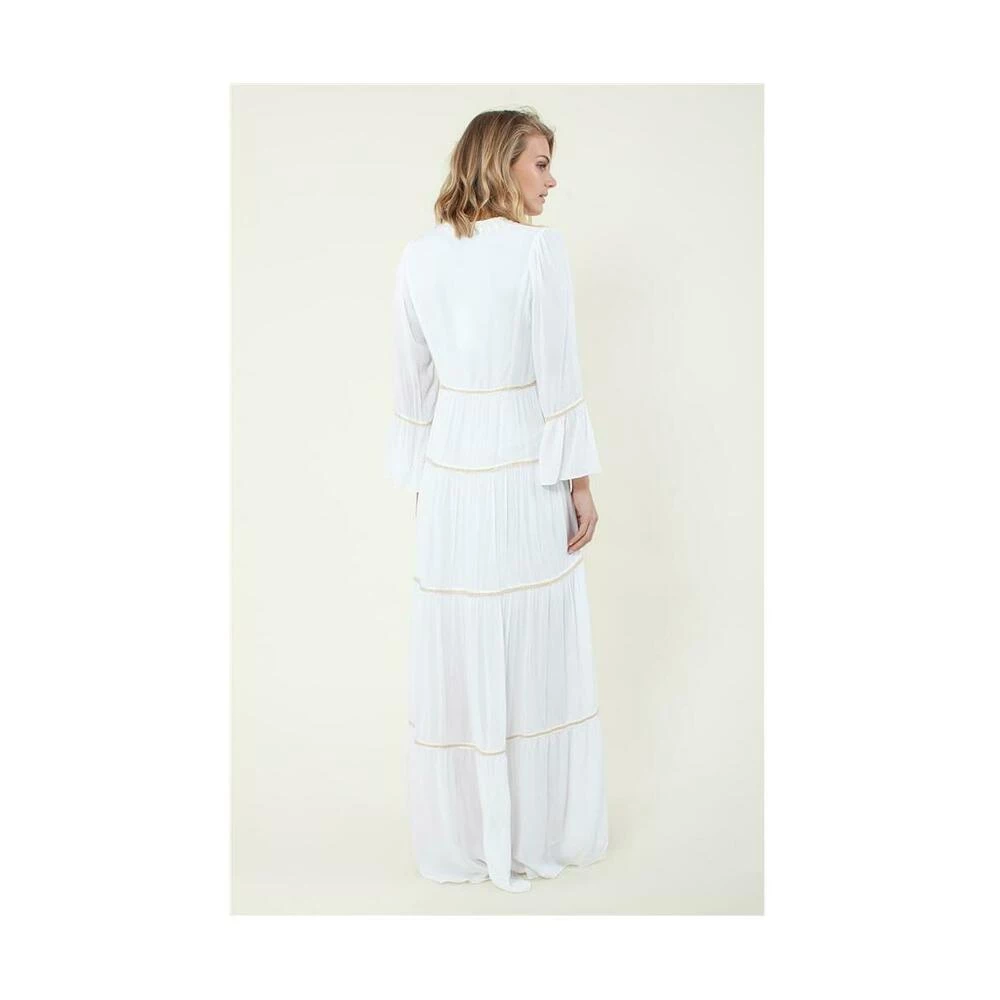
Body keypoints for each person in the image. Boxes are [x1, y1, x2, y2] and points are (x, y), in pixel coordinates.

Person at [385, 108, 608, 893]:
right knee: (531, 649)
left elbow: (411, 388)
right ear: (501, 163)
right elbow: (559, 375)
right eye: (540, 163)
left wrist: (426, 486)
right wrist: (581, 484)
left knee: (464, 641)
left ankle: (471, 838)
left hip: (451, 471)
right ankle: (529, 834)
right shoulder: (539, 251)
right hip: (521, 467)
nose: (552, 179)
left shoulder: (417, 257)